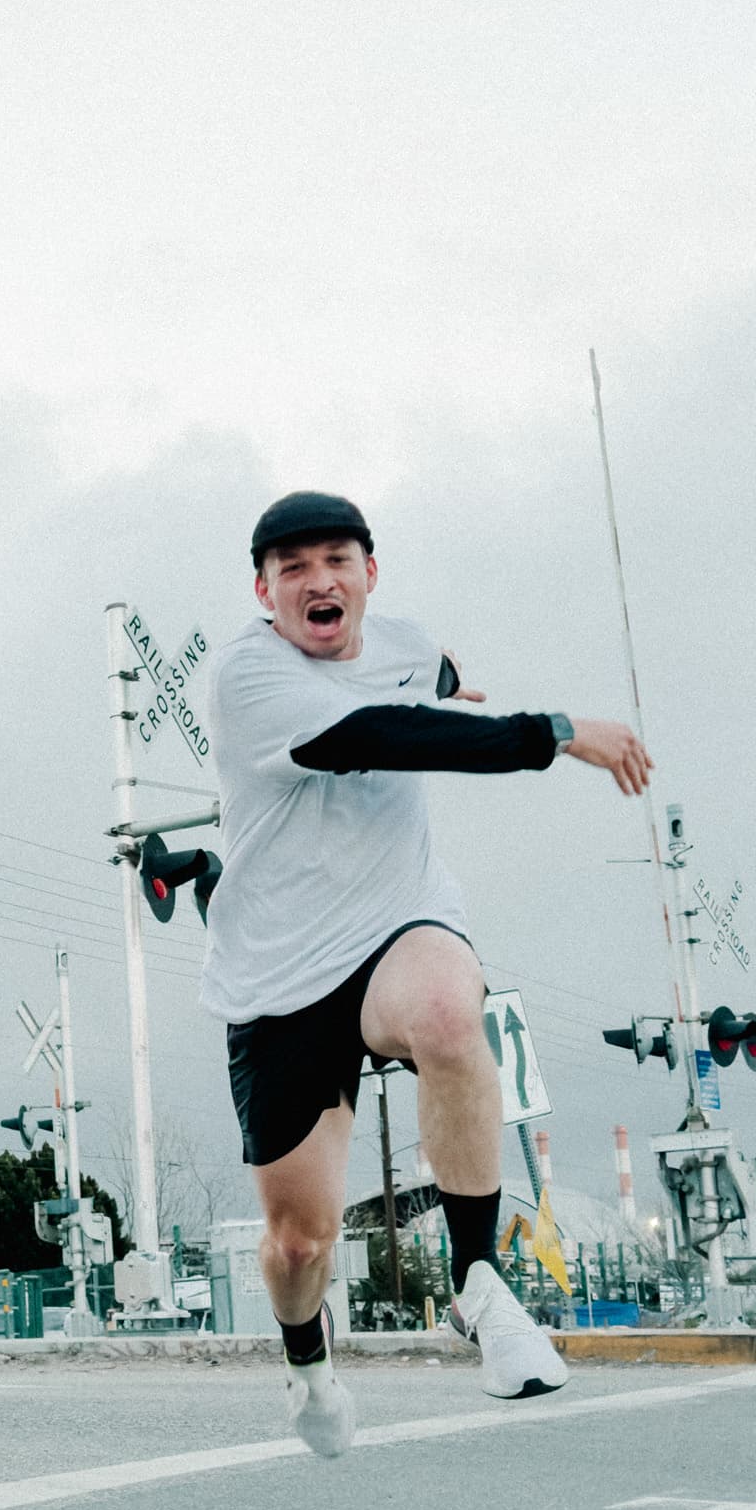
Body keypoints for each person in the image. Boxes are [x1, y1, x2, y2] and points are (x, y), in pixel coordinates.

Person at [202, 491, 651, 1456]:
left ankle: (478, 1282)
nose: (318, 581)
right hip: (282, 973)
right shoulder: (247, 678)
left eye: (337, 561)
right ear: (263, 590)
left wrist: (453, 689)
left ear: (370, 572)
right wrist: (553, 729)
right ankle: (305, 1361)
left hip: (398, 921)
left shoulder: (407, 640)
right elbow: (376, 736)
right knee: (297, 1245)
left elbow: (431, 678)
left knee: (452, 1013)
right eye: (293, 569)